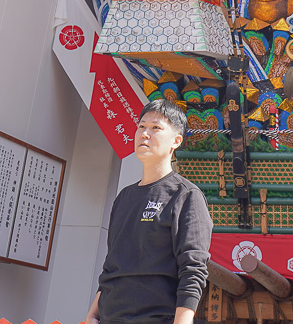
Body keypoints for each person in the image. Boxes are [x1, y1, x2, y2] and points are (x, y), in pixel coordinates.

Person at [84, 100, 212, 324]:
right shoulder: (123, 197)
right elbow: (112, 265)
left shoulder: (186, 196)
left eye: (156, 128)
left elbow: (193, 269)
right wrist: (92, 315)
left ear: (176, 141)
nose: (145, 134)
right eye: (141, 126)